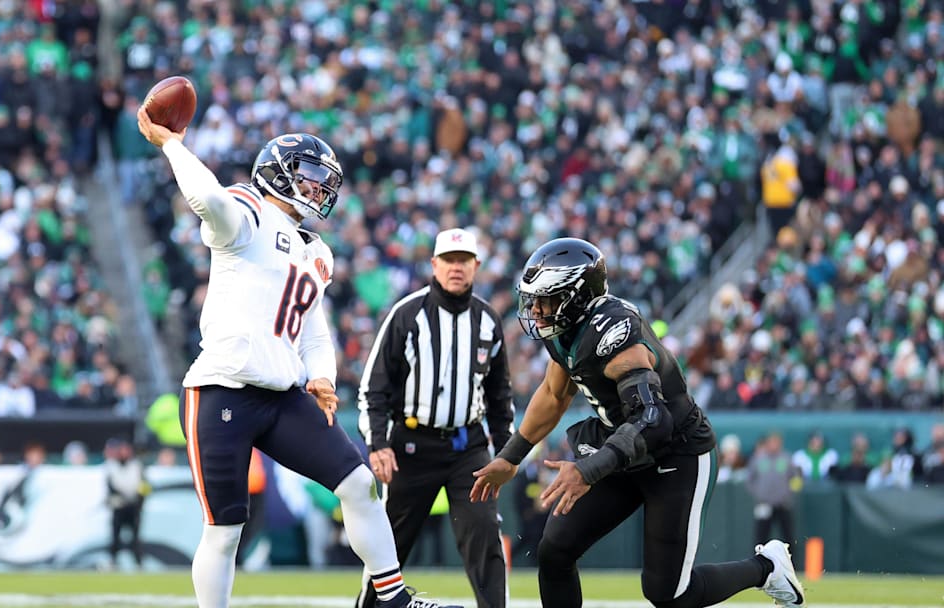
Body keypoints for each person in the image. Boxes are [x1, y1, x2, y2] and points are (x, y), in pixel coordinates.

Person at [137, 105, 460, 608]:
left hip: (282, 395)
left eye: (323, 181)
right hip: (222, 388)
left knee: (358, 483)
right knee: (225, 530)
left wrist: (323, 376)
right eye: (310, 178)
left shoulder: (315, 250)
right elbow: (206, 199)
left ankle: (389, 598)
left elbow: (313, 328)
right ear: (278, 174)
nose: (319, 190)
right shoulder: (248, 212)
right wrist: (172, 144)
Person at [470, 238, 804, 608]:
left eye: (546, 299)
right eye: (533, 299)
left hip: (676, 453)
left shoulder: (613, 333)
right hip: (623, 449)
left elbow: (652, 418)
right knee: (555, 551)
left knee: (669, 594)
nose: (536, 310)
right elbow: (553, 395)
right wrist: (511, 456)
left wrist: (587, 470)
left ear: (577, 297)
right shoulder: (564, 331)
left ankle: (766, 567)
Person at [356, 227, 514, 608]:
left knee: (484, 536)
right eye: (449, 260)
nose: (456, 268)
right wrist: (378, 444)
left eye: (463, 261)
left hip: (469, 446)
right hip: (412, 445)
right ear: (434, 264)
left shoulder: (489, 321)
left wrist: (505, 452)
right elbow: (373, 389)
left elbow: (499, 395)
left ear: (476, 266)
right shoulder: (407, 314)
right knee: (389, 545)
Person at [104, 438, 148, 569]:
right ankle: (113, 561)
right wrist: (119, 496)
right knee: (115, 536)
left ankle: (138, 563)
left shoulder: (137, 466)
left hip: (133, 506)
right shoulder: (111, 466)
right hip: (119, 506)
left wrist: (138, 500)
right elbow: (110, 486)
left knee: (135, 537)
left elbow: (144, 485)